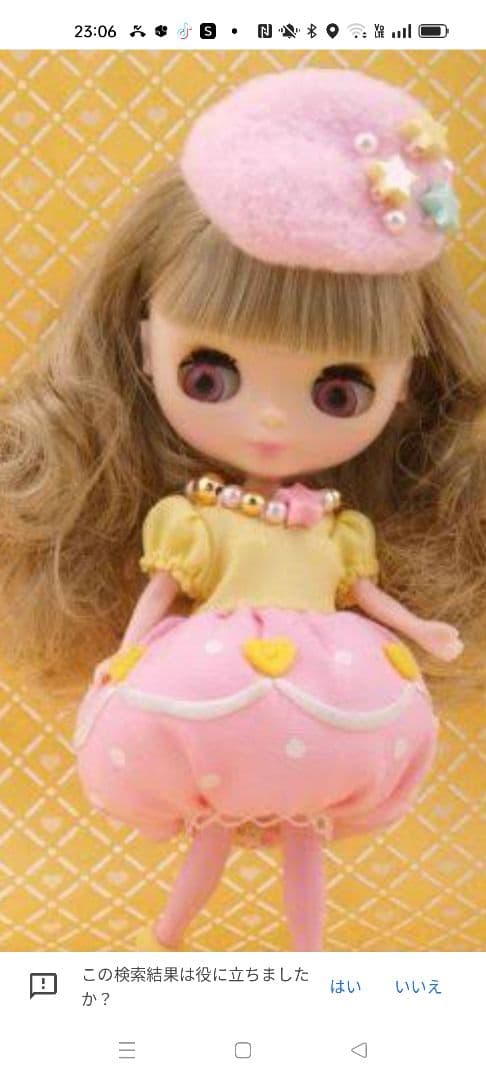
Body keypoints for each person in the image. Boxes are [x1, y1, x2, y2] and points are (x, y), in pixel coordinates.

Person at [1, 68, 484, 951]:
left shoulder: (339, 528)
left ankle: (306, 956)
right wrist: (128, 654)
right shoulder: (197, 520)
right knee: (211, 835)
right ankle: (170, 934)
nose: (268, 421)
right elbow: (161, 590)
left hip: (332, 692)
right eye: (209, 376)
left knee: (306, 839)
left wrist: (424, 629)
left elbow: (366, 593)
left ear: (408, 385)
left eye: (338, 391)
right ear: (141, 344)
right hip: (208, 682)